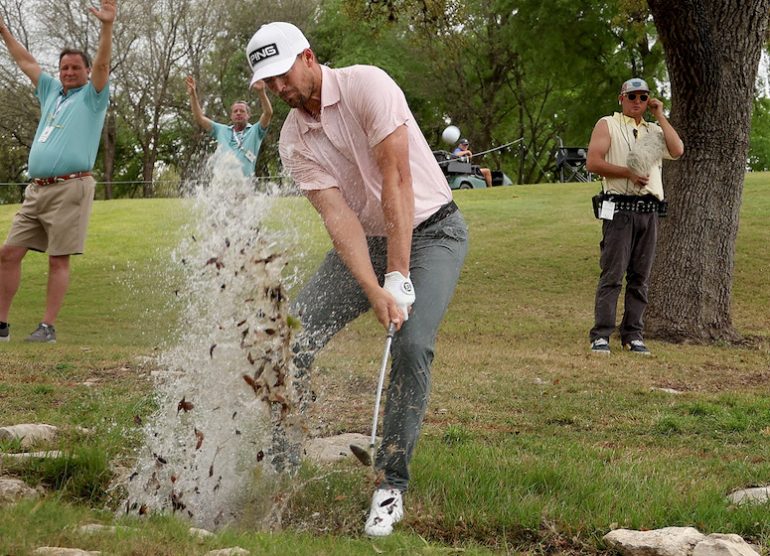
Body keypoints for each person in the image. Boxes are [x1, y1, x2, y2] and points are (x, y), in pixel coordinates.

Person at [245, 22, 468, 536]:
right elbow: (338, 217)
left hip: (432, 232)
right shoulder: (291, 139)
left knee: (412, 346)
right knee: (289, 340)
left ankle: (390, 487)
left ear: (308, 56)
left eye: (282, 76)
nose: (279, 90)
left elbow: (398, 179)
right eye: (267, 84)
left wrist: (397, 273)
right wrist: (372, 287)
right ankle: (284, 470)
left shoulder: (369, 84)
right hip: (363, 241)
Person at [0, 0, 116, 344]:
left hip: (71, 187)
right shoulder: (51, 91)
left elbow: (103, 64)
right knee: (8, 253)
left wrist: (106, 27)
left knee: (57, 259)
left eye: (74, 68)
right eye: (64, 67)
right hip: (36, 190)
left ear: (84, 71)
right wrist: (4, 31)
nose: (68, 72)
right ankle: (2, 326)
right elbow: (25, 62)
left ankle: (47, 328)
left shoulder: (93, 96)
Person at [586, 78, 684, 356]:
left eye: (643, 97)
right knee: (613, 274)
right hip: (619, 209)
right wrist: (627, 173)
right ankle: (602, 334)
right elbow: (593, 162)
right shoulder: (608, 124)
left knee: (640, 277)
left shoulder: (654, 130)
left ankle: (633, 334)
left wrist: (660, 115)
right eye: (632, 97)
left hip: (649, 211)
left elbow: (677, 150)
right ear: (622, 98)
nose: (637, 102)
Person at [185, 75, 273, 177]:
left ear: (248, 115)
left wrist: (261, 92)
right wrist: (193, 95)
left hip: (245, 186)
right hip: (223, 185)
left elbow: (268, 113)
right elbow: (199, 118)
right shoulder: (221, 130)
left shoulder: (255, 131)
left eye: (242, 111)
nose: (238, 113)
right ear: (231, 116)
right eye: (235, 111)